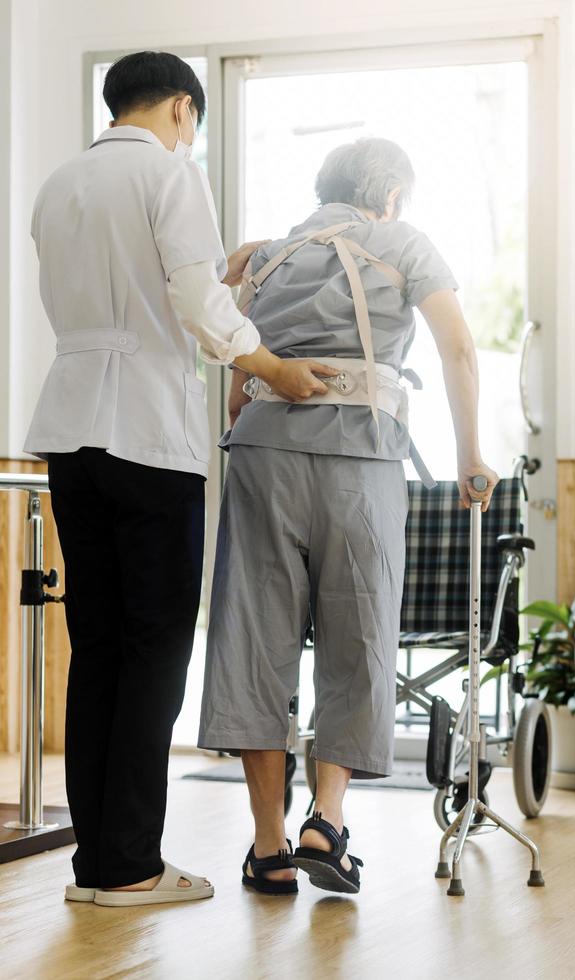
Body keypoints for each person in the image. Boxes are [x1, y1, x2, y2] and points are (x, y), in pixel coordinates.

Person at [23, 50, 337, 908]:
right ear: (182, 111)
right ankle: (131, 868)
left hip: (71, 430)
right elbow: (197, 309)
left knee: (100, 651)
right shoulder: (172, 174)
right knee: (157, 650)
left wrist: (213, 283)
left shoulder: (61, 184)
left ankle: (100, 865)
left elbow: (133, 290)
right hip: (147, 437)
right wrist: (273, 366)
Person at [198, 137, 499, 895]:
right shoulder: (402, 241)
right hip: (358, 460)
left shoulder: (265, 257)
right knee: (359, 633)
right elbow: (457, 346)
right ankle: (324, 822)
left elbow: (238, 386)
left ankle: (268, 849)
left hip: (260, 457)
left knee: (252, 641)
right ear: (392, 196)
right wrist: (470, 453)